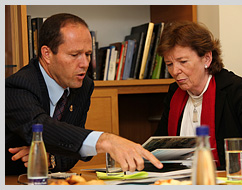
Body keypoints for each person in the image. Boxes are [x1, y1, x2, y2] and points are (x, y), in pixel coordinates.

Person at [5, 13, 163, 175]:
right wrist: (105, 140)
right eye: (74, 55)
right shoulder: (18, 86)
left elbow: (74, 149)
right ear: (47, 54)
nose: (85, 64)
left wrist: (50, 159)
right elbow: (40, 127)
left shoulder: (83, 85)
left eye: (88, 54)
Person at [154, 21, 242, 173]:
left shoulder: (235, 90)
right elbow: (160, 146)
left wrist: (232, 171)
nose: (175, 71)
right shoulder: (174, 92)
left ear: (207, 58)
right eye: (169, 64)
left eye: (183, 62)